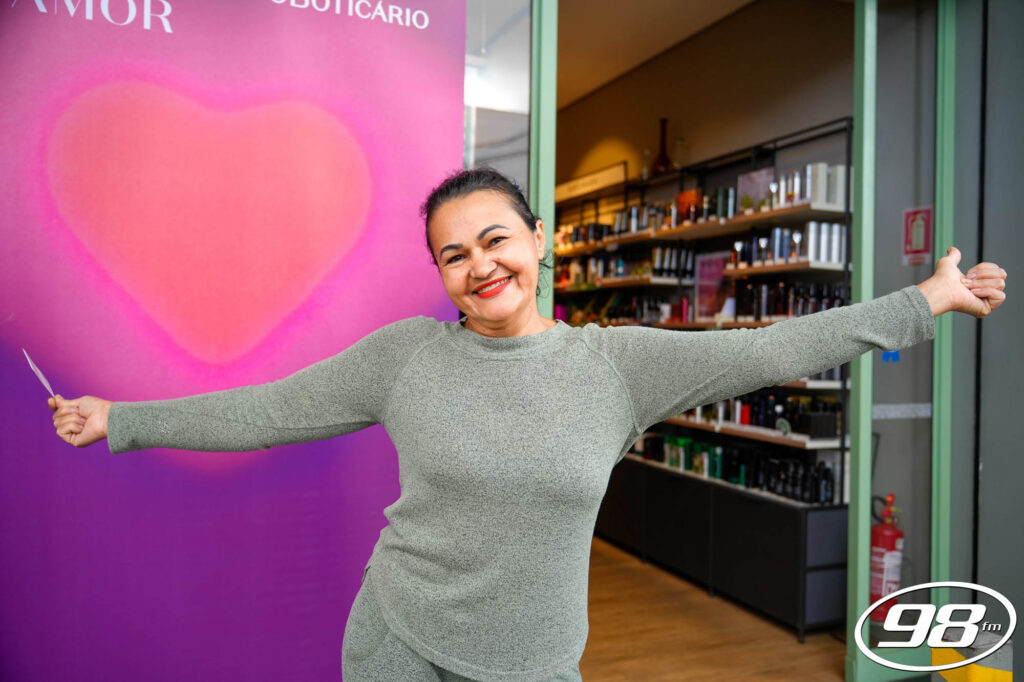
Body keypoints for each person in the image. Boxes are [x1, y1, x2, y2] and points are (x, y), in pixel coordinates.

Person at [47, 168, 1007, 682]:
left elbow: (773, 348)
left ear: (538, 242)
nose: (479, 266)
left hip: (533, 663)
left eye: (495, 238)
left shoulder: (617, 365)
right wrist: (122, 418)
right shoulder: (406, 357)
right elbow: (267, 410)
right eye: (453, 255)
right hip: (395, 638)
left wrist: (923, 300)